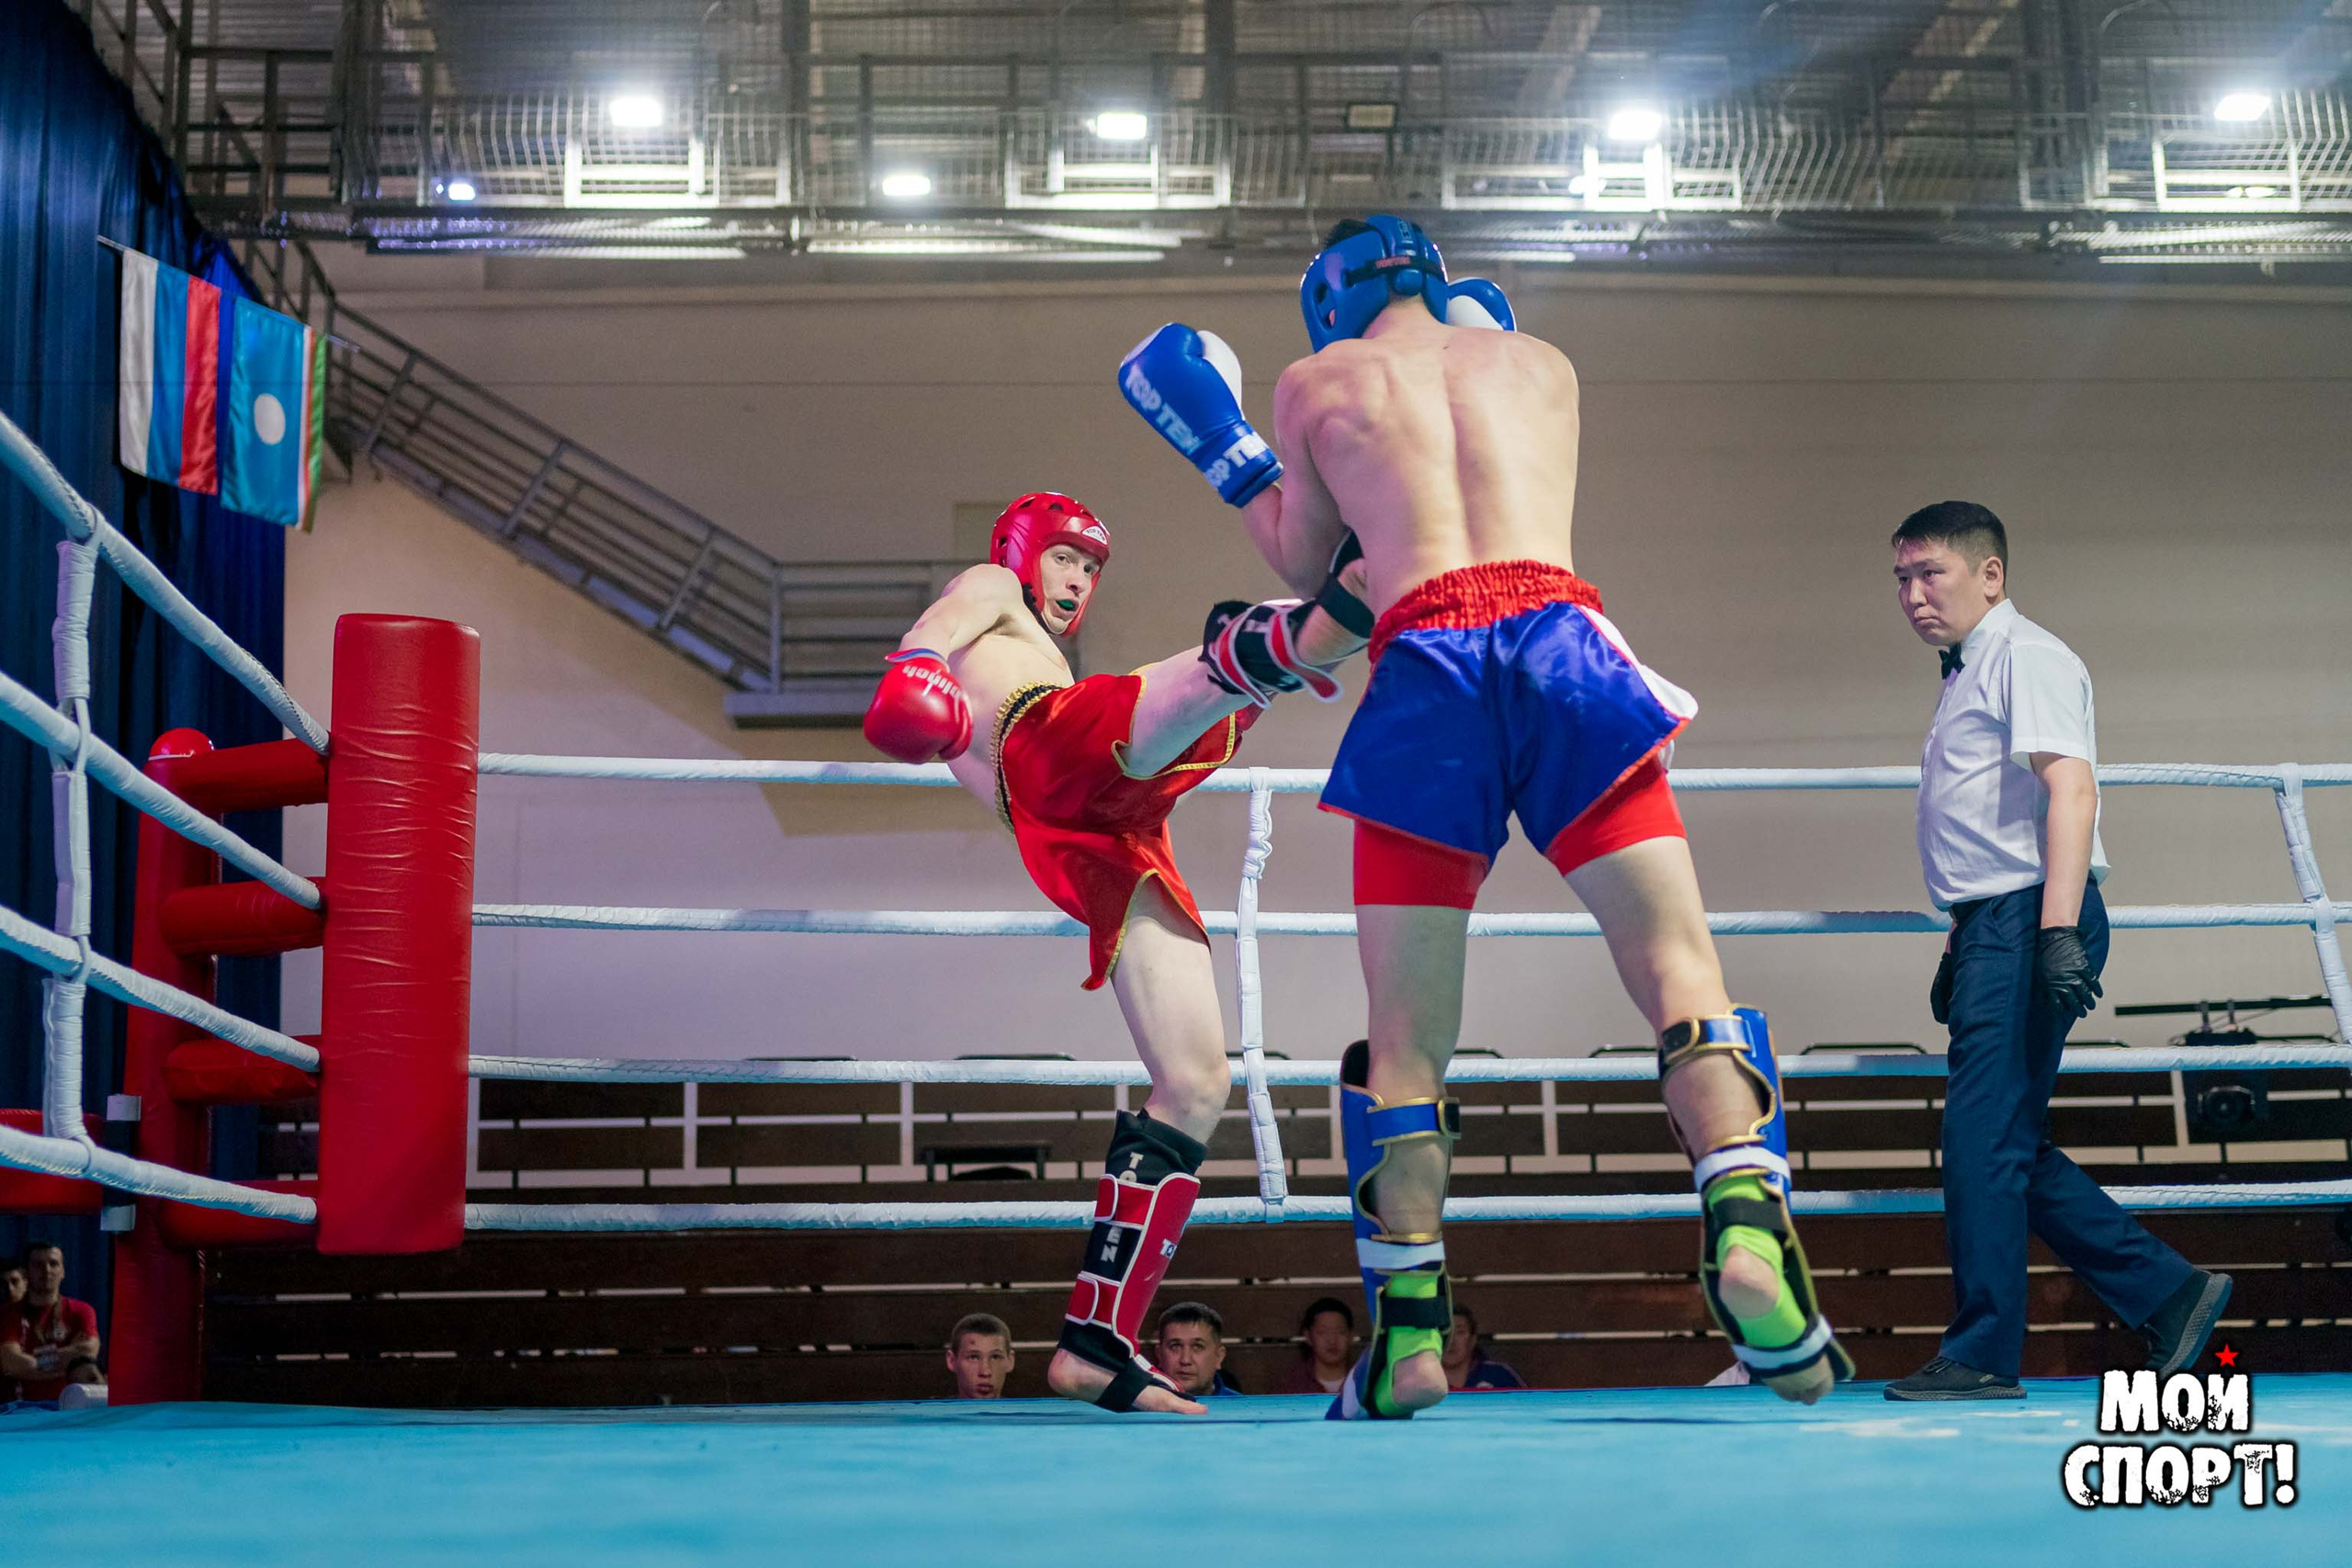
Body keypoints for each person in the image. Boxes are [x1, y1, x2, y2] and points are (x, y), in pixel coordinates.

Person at [1119, 215, 1852, 1419]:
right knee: (1679, 968)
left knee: (1405, 1038)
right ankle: (1749, 1235)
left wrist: (1233, 451)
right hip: (1566, 644)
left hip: (1428, 667)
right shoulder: (1542, 364)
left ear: (1327, 299)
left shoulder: (1319, 383)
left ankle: (1407, 1339)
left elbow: (1316, 569)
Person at [865, 493, 1363, 1416]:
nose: (1076, 581)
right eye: (1062, 559)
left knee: (1196, 1081)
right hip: (1050, 755)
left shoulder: (1050, 652)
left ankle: (1094, 1341)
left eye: (1090, 570)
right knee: (1236, 662)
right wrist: (915, 668)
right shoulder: (989, 590)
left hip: (1105, 831)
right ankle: (1349, 596)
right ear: (1018, 551)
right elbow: (926, 640)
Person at [1885, 502, 2231, 1400]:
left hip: (2029, 916)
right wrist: (1966, 935)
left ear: (1989, 575)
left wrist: (2052, 933)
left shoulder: (2024, 655)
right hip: (1993, 921)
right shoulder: (1970, 670)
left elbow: (2069, 793)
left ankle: (1982, 1353)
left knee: (1979, 1141)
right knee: (2000, 1140)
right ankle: (2170, 1291)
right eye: (1901, 578)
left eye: (1931, 573)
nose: (1914, 595)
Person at [2, 1242, 101, 1404]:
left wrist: (34, 1360)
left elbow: (87, 1353)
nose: (47, 1270)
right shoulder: (8, 1314)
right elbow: (11, 1365)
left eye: (53, 1264)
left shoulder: (81, 1311)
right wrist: (67, 1360)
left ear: (63, 1271)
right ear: (26, 1273)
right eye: (38, 1265)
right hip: (19, 1411)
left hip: (69, 1408)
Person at [1153, 1303, 1243, 1398]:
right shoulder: (1138, 1408)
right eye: (1175, 1346)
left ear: (1219, 1357)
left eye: (1197, 1347)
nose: (1185, 1360)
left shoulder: (1242, 1410)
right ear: (1159, 1354)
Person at [1272, 1295, 1356, 1395]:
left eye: (1340, 1332)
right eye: (1322, 1332)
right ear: (1308, 1336)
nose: (1332, 1341)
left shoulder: (1364, 1382)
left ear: (1351, 1336)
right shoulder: (1291, 1386)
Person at [1442, 1304, 1524, 1392]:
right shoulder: (1426, 1381)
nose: (1451, 1341)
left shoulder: (1499, 1375)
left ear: (1473, 1340)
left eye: (1460, 1332)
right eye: (1444, 1333)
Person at [944, 1312, 1016, 1400]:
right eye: (973, 1357)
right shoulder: (928, 1412)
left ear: (1010, 1361)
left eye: (995, 1357)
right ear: (951, 1361)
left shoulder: (1025, 1413)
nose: (985, 1372)